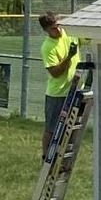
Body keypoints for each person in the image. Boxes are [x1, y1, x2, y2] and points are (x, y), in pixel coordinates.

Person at [38, 12, 83, 157]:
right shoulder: (47, 47)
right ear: (46, 30)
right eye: (53, 28)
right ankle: (46, 157)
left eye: (57, 26)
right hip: (57, 94)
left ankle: (63, 157)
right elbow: (55, 73)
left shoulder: (69, 33)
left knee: (70, 128)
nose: (57, 30)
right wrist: (68, 57)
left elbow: (87, 37)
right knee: (52, 128)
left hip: (75, 90)